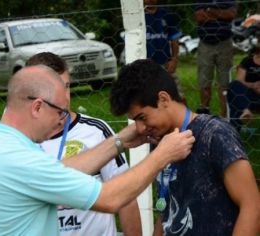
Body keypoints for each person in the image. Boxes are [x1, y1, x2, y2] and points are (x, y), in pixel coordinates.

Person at [0, 65, 195, 235]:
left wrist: (119, 141)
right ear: (37, 107)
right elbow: (110, 199)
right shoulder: (18, 160)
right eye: (60, 111)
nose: (64, 120)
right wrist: (162, 155)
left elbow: (58, 171)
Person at [109, 59, 260, 236]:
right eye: (135, 121)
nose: (140, 128)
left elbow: (252, 206)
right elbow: (169, 209)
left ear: (163, 99)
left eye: (142, 117)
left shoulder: (215, 134)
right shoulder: (161, 143)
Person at [26, 52, 142, 236]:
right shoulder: (18, 141)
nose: (64, 99)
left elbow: (126, 197)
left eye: (66, 87)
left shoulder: (96, 131)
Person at [195, 0, 237, 117]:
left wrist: (210, 11)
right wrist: (221, 14)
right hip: (205, 43)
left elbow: (231, 15)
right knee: (204, 80)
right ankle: (205, 112)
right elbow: (199, 17)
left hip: (225, 43)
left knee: (224, 81)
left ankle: (224, 115)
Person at [227, 46, 260, 131]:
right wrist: (252, 85)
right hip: (248, 95)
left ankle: (232, 136)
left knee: (235, 102)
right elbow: (240, 80)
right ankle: (246, 111)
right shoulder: (247, 61)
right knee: (234, 85)